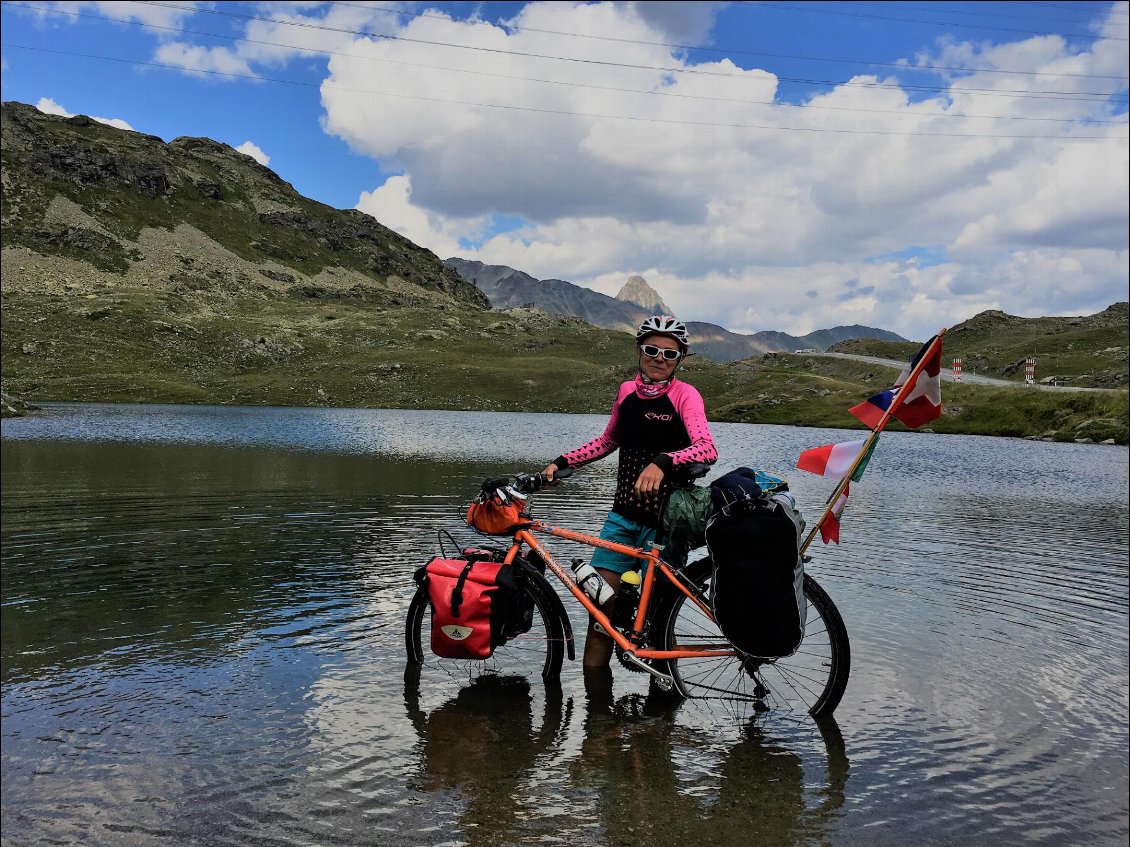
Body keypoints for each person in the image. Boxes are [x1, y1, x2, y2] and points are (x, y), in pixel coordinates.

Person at [543, 314, 717, 668]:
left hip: (665, 524)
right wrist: (563, 461)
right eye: (652, 349)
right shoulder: (626, 391)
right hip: (621, 518)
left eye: (670, 354)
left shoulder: (686, 395)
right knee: (600, 611)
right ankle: (596, 711)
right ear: (639, 351)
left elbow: (706, 448)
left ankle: (663, 698)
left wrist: (664, 461)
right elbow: (609, 441)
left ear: (680, 359)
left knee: (658, 623)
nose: (659, 358)